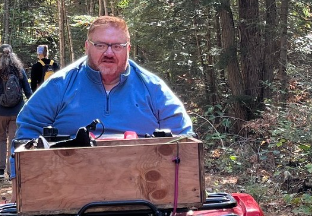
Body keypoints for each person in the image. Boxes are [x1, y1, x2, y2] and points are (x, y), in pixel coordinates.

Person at [15, 15, 193, 147]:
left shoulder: (153, 89)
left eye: (117, 46)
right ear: (87, 47)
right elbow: (25, 136)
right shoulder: (59, 86)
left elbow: (184, 140)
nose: (108, 53)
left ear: (128, 49)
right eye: (100, 45)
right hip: (69, 188)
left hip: (145, 188)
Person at [0, 46, 32, 180]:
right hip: (17, 111)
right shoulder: (19, 70)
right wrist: (32, 109)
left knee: (0, 138)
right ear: (12, 55)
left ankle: (0, 171)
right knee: (13, 140)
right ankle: (12, 171)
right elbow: (28, 91)